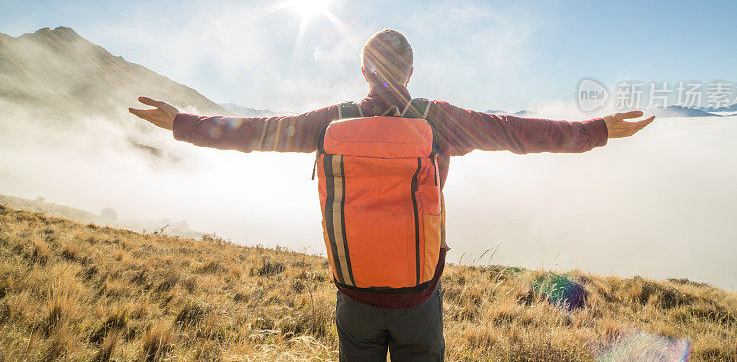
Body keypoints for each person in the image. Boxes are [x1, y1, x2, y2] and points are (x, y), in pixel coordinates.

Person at [129, 29, 654, 361]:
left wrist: (181, 123)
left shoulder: (330, 121)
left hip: (353, 292)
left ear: (364, 71)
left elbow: (254, 132)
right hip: (418, 295)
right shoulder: (437, 119)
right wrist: (598, 131)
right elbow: (519, 132)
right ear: (410, 72)